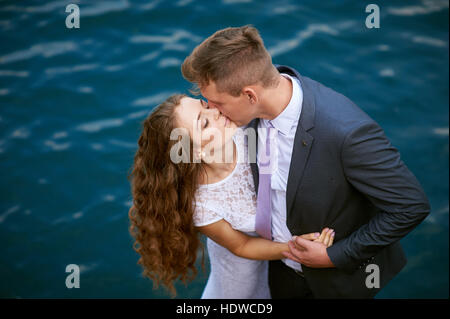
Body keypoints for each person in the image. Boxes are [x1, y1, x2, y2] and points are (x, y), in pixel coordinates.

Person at [180, 25, 431, 298]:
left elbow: (410, 206)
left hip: (333, 283)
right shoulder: (242, 118)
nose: (213, 111)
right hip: (275, 272)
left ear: (250, 95)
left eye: (217, 102)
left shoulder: (346, 133)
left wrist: (334, 255)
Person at [127, 94, 335, 298]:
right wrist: (293, 249)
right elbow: (241, 245)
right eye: (204, 122)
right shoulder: (201, 204)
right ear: (193, 151)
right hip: (242, 267)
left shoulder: (245, 130)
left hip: (275, 250)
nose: (216, 111)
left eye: (204, 105)